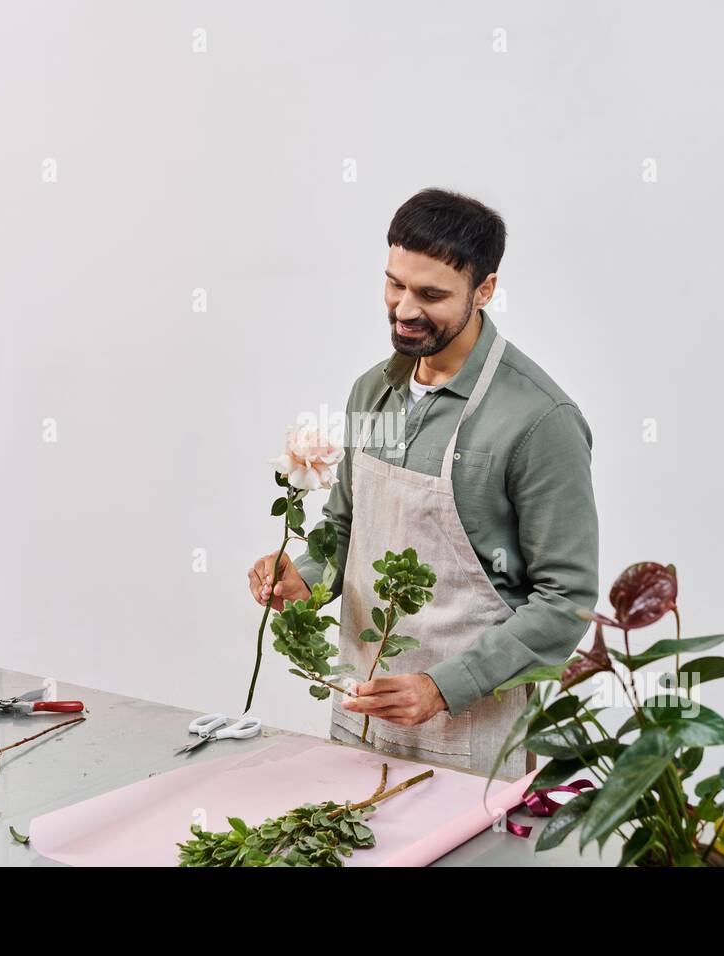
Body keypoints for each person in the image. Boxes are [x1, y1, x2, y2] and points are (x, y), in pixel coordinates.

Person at [248, 188, 598, 779]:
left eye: (431, 295)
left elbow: (566, 602)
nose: (404, 309)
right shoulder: (373, 391)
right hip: (361, 714)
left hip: (474, 735)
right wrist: (304, 578)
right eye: (394, 284)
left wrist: (442, 687)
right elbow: (344, 526)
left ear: (485, 289)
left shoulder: (540, 420)